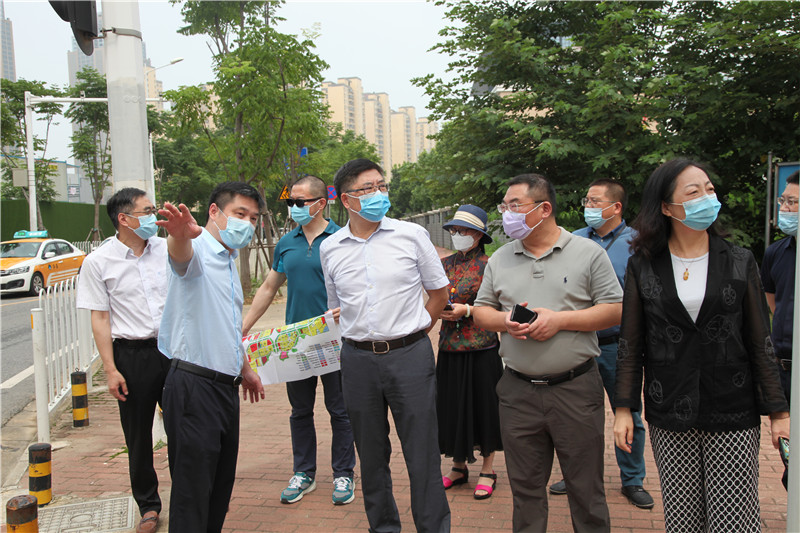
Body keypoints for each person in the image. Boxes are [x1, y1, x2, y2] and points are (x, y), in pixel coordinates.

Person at [613, 158, 791, 532]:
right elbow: (631, 342)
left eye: (709, 189)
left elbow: (760, 340)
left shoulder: (739, 260)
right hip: (668, 406)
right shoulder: (643, 265)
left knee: (734, 518)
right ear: (666, 207)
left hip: (732, 405)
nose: (707, 198)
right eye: (694, 192)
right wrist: (624, 409)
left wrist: (779, 412)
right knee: (683, 518)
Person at [472, 174, 622, 533]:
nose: (507, 214)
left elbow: (616, 309)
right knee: (525, 490)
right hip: (517, 391)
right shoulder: (500, 258)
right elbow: (480, 312)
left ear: (544, 209)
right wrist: (506, 321)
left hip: (575, 389)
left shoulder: (588, 253)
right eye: (504, 206)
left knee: (586, 489)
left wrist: (560, 321)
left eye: (515, 205)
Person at [320, 158, 451, 533]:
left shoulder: (411, 235)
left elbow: (439, 293)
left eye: (381, 185)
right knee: (371, 454)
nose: (378, 193)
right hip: (357, 361)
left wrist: (416, 331)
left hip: (410, 357)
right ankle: (384, 527)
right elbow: (337, 306)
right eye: (368, 188)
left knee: (422, 452)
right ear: (347, 199)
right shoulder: (331, 248)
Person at [156, 181, 266, 533]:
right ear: (215, 212)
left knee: (219, 487)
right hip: (194, 386)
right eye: (239, 214)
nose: (247, 224)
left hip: (224, 389)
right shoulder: (198, 248)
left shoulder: (228, 259)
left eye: (253, 218)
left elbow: (227, 324)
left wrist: (245, 368)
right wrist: (178, 236)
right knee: (192, 493)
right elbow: (181, 257)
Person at [242, 175, 356, 505]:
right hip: (295, 344)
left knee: (340, 411)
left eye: (300, 202)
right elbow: (269, 288)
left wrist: (347, 310)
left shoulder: (342, 239)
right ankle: (304, 472)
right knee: (300, 411)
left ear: (321, 203)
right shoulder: (286, 243)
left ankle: (343, 473)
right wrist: (243, 328)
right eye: (290, 202)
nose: (293, 207)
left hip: (336, 341)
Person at [549, 179, 654, 509]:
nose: (588, 206)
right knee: (574, 415)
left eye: (595, 201)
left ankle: (632, 479)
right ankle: (576, 475)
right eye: (587, 200)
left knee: (628, 411)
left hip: (618, 344)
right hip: (576, 341)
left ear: (616, 206)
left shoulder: (638, 243)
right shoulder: (573, 240)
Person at [76, 188, 170, 533]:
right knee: (138, 435)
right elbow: (100, 318)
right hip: (132, 355)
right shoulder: (98, 262)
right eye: (147, 211)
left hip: (174, 350)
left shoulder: (167, 248)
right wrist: (111, 369)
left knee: (184, 427)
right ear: (124, 219)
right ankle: (148, 505)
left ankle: (189, 497)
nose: (154, 217)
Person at [437, 205, 503, 500]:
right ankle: (458, 467)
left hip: (482, 347)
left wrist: (468, 310)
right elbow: (433, 295)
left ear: (478, 235)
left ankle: (488, 469)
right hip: (449, 346)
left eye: (463, 230)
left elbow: (499, 306)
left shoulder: (490, 265)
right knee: (452, 406)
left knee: (483, 407)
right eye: (454, 230)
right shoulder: (444, 264)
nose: (457, 234)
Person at [762, 169, 798, 404]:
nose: (784, 208)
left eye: (792, 202)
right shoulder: (775, 253)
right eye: (782, 200)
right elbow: (773, 300)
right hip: (783, 369)